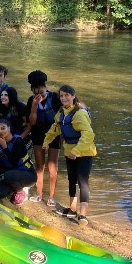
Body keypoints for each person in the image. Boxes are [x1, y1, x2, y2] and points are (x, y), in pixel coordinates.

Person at [43, 84, 96, 226]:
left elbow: (88, 135)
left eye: (67, 95)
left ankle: (83, 215)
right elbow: (55, 128)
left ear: (73, 96)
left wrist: (76, 151)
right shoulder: (61, 113)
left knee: (82, 180)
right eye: (61, 96)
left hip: (84, 152)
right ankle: (72, 209)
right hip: (69, 151)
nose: (64, 98)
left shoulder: (80, 114)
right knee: (71, 179)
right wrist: (46, 142)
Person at [25, 70, 61, 206]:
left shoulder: (55, 98)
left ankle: (51, 197)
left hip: (54, 135)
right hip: (38, 135)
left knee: (53, 167)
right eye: (34, 89)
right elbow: (32, 122)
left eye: (39, 88)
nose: (37, 92)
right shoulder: (31, 100)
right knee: (40, 166)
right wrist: (34, 106)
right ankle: (39, 194)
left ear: (44, 86)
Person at [0, 119, 36, 206]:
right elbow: (0, 165)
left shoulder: (18, 141)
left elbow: (14, 161)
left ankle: (22, 191)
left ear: (9, 128)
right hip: (11, 175)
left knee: (8, 175)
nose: (1, 132)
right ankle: (14, 188)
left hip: (28, 175)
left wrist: (4, 147)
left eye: (3, 128)